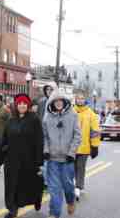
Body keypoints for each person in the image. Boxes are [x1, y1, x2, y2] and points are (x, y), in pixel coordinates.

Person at [0, 94, 43, 218]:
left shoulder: (34, 119)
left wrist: (39, 161)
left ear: (28, 105)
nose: (22, 105)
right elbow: (4, 140)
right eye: (19, 103)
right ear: (16, 105)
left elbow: (39, 141)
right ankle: (12, 208)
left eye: (24, 103)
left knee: (30, 185)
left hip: (29, 160)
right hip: (12, 160)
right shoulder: (11, 120)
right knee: (12, 186)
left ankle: (37, 199)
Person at [43, 90, 81, 218]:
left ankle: (70, 201)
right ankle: (54, 213)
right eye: (56, 101)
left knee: (68, 187)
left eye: (60, 101)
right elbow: (45, 136)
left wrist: (71, 153)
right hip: (52, 159)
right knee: (54, 190)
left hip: (67, 159)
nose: (58, 103)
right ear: (52, 102)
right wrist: (46, 150)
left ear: (64, 102)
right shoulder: (47, 117)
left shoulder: (73, 115)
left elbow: (77, 136)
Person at [73, 92, 101, 201]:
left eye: (82, 98)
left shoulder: (91, 114)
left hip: (84, 147)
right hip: (72, 147)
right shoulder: (71, 112)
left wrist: (95, 146)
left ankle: (78, 187)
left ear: (85, 100)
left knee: (81, 167)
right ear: (75, 100)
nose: (80, 100)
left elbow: (95, 131)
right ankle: (77, 185)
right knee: (73, 168)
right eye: (78, 98)